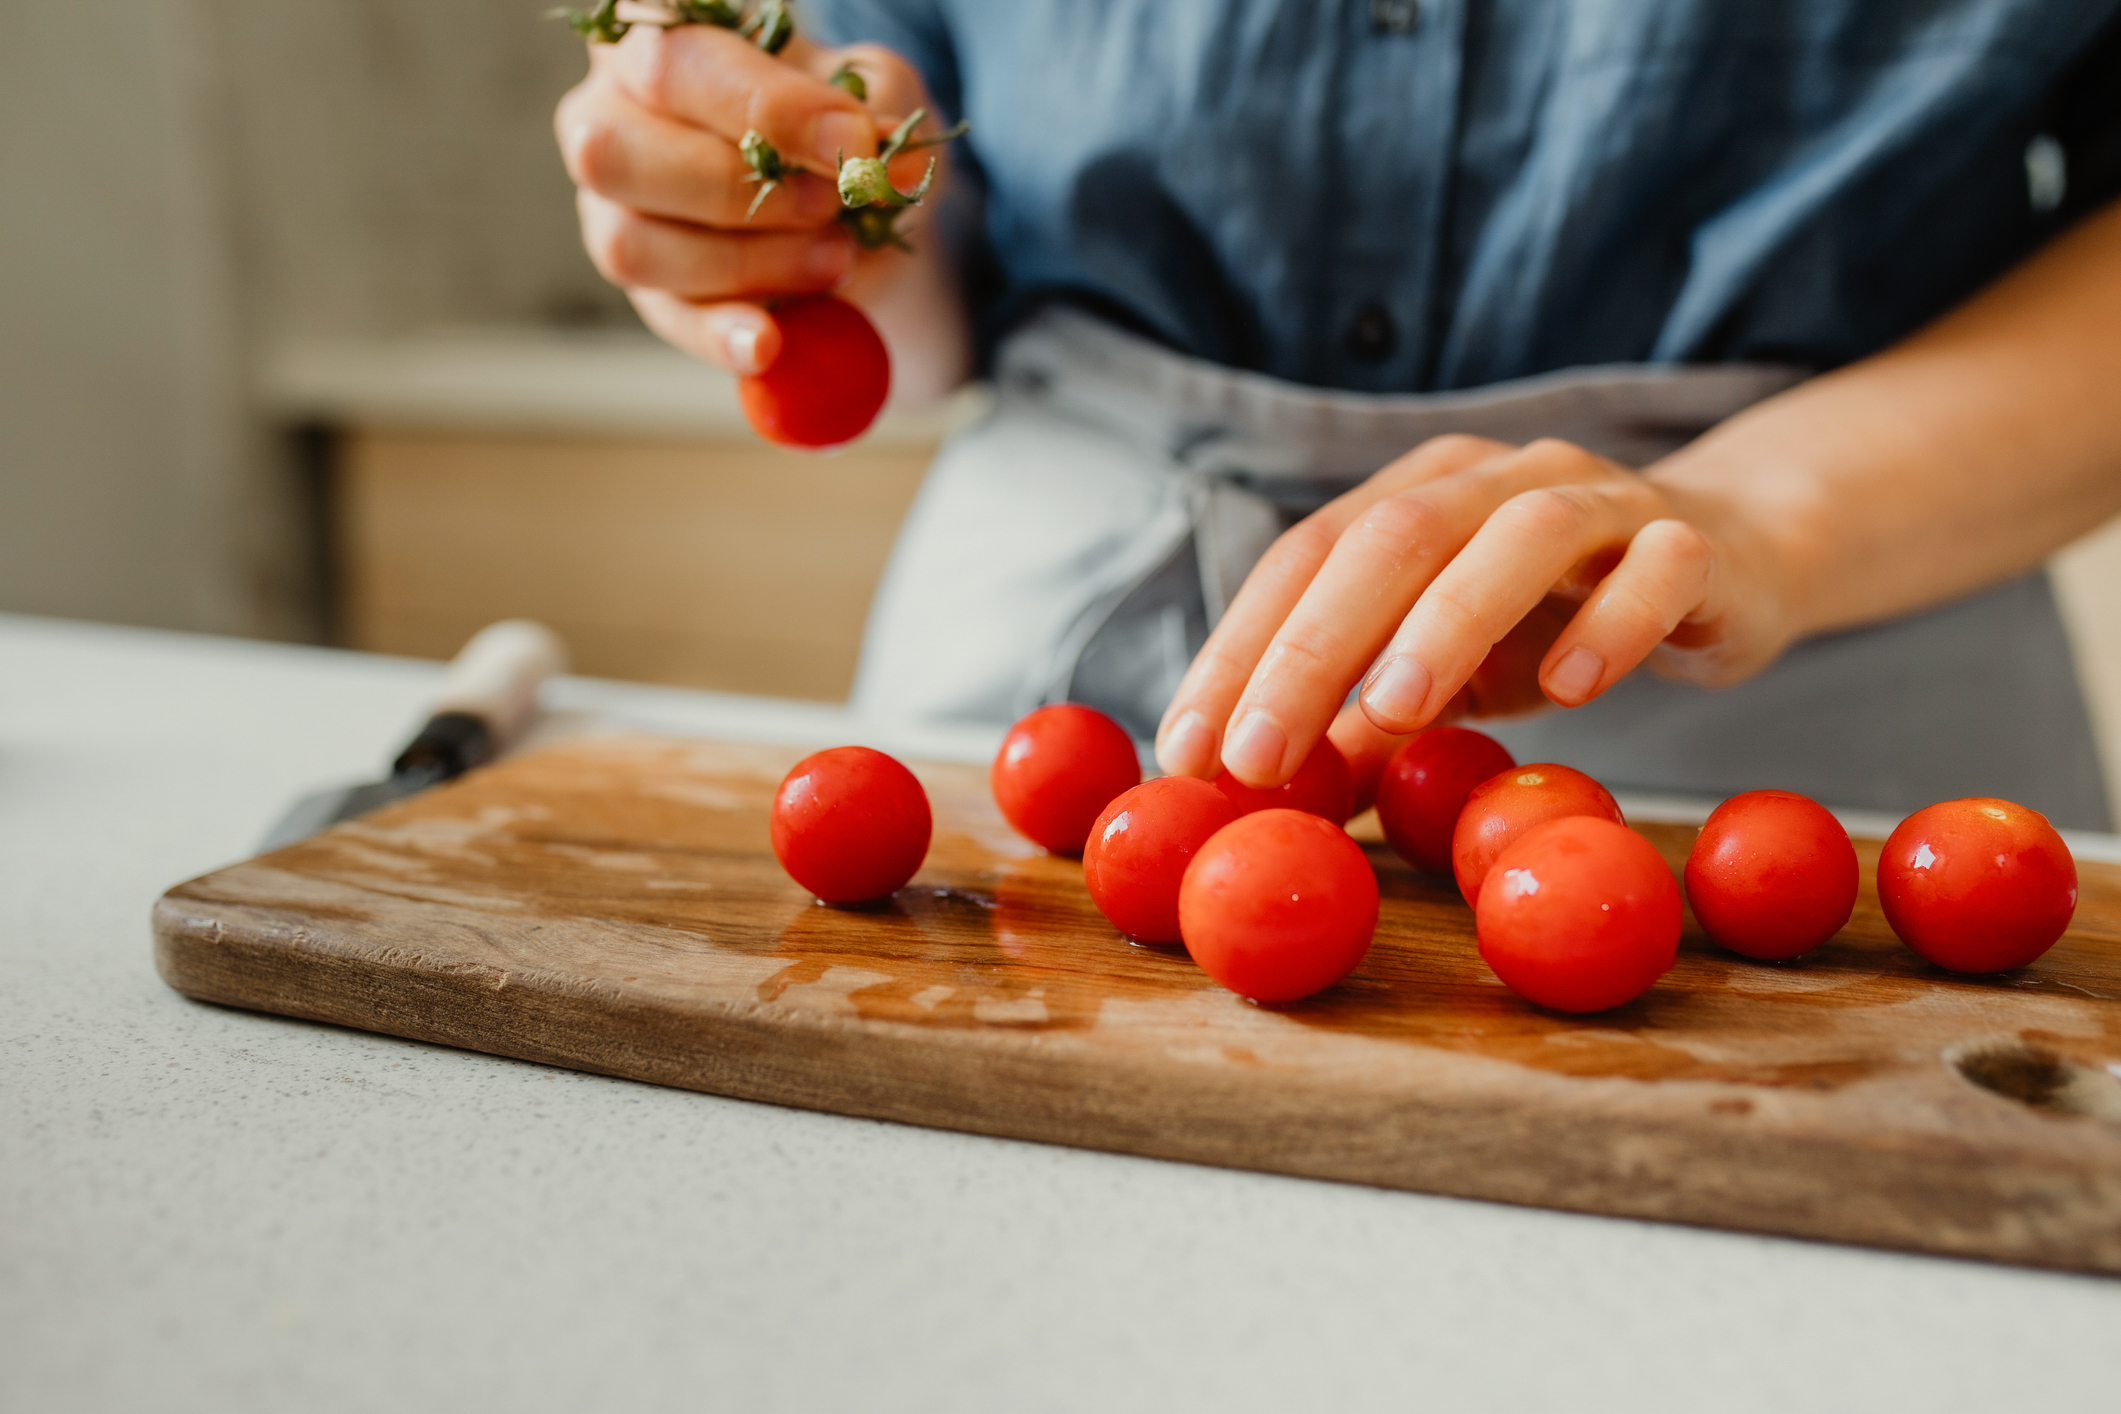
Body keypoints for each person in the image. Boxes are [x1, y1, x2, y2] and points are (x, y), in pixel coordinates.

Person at [554, 1, 2121, 829]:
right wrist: (809, 211)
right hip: (1062, 667)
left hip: (1812, 631)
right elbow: (930, 277)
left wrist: (1765, 516)